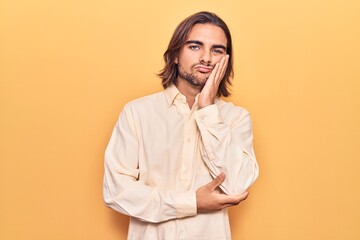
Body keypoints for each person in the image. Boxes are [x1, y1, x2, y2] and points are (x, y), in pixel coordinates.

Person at [103, 11, 259, 240]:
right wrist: (191, 203)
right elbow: (116, 191)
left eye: (217, 50)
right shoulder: (137, 113)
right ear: (175, 55)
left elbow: (237, 186)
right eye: (195, 46)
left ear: (226, 60)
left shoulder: (236, 118)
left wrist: (207, 109)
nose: (207, 58)